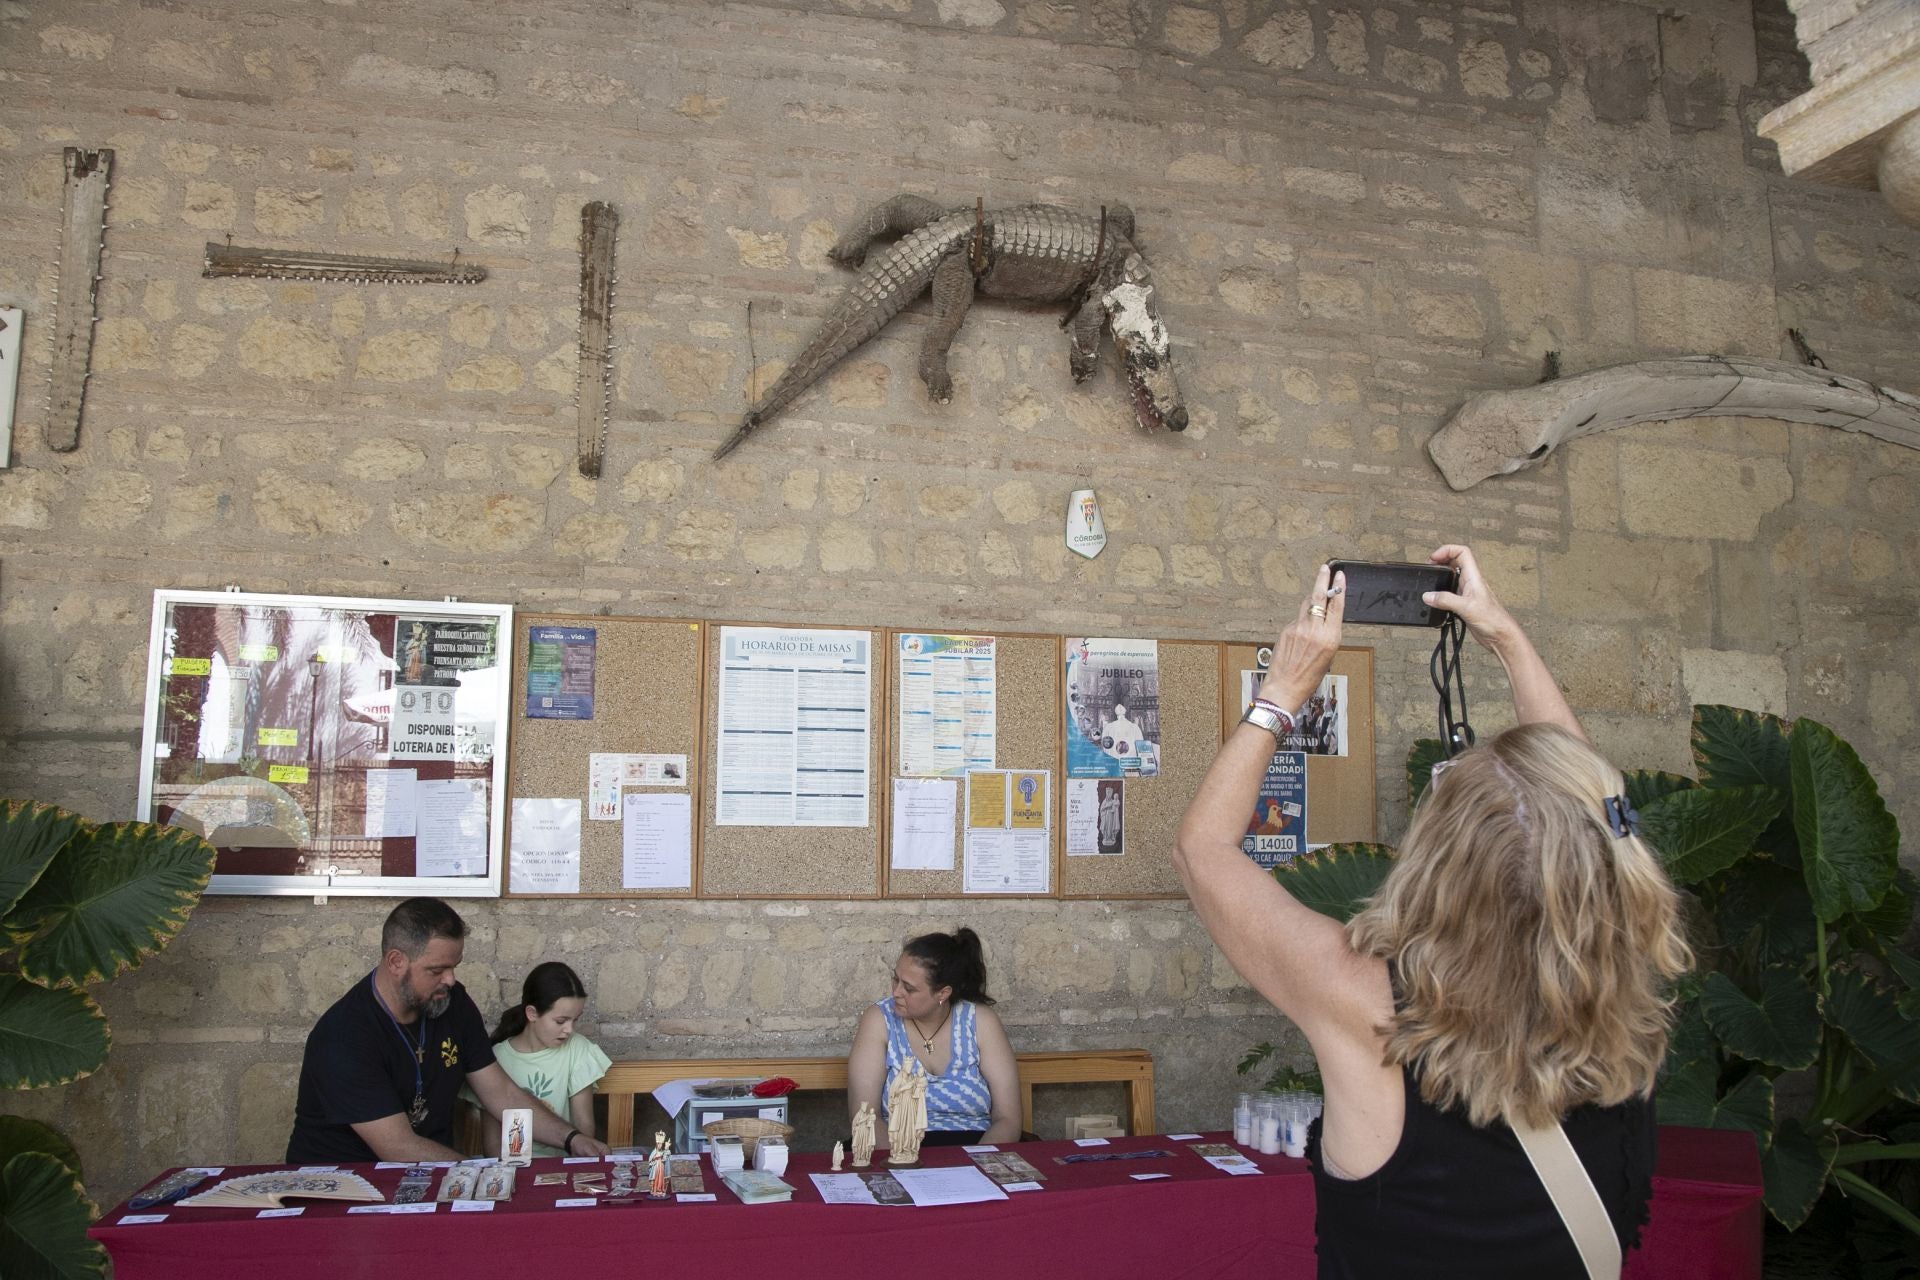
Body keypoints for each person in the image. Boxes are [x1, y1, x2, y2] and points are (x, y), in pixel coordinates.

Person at [1174, 548, 1690, 1278]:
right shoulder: (1623, 980)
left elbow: (1203, 851)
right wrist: (1506, 637)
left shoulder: (1364, 1001)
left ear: (1435, 863)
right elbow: (1586, 817)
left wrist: (1283, 690)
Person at [287, 897, 611, 1164]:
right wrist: (479, 1172)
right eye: (436, 970)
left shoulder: (452, 1003)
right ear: (396, 961)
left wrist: (572, 1139)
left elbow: (501, 1093)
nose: (450, 980)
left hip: (427, 1175)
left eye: (454, 967)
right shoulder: (344, 1036)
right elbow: (398, 1148)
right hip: (349, 1184)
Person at [847, 927, 1020, 1147]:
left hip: (976, 1146)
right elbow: (865, 1116)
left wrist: (978, 1164)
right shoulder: (880, 1019)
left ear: (943, 993)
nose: (896, 992)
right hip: (896, 1148)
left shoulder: (980, 1021)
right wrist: (900, 1162)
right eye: (895, 979)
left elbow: (1008, 1119)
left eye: (909, 988)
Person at [462, 960, 612, 1158]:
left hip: (563, 1169)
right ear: (532, 1014)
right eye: (560, 1021)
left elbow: (584, 1133)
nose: (569, 1030)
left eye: (575, 1020)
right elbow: (493, 1145)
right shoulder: (494, 1059)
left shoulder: (578, 1050)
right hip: (514, 1171)